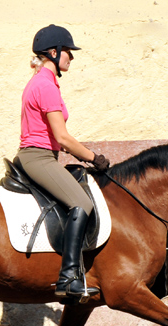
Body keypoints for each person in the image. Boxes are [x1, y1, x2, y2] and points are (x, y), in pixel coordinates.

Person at [15, 24, 110, 301]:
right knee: (83, 203)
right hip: (38, 157)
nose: (71, 57)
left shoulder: (43, 82)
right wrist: (95, 158)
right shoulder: (45, 85)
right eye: (68, 51)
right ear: (54, 52)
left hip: (42, 156)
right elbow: (62, 137)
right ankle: (68, 276)